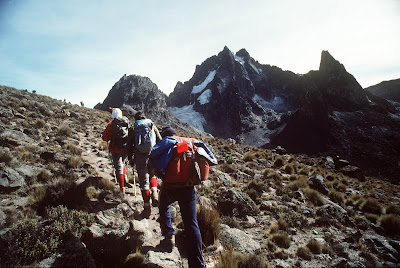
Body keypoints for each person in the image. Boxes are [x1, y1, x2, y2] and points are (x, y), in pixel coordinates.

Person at [150, 126, 217, 268]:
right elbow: (210, 158)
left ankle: (169, 237)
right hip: (188, 187)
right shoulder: (190, 141)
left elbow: (153, 155)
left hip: (171, 187)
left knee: (163, 206)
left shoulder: (167, 140)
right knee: (192, 223)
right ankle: (197, 263)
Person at [127, 111, 162, 218]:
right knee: (153, 175)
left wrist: (130, 159)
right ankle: (155, 193)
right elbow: (160, 140)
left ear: (136, 119)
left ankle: (147, 209)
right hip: (152, 155)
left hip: (139, 157)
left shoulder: (134, 128)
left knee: (144, 183)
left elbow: (129, 145)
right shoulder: (151, 125)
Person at [102, 108, 130, 198]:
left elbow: (105, 137)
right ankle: (125, 178)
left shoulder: (111, 125)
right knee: (123, 163)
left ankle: (122, 189)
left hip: (116, 148)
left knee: (118, 168)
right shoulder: (126, 122)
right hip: (125, 148)